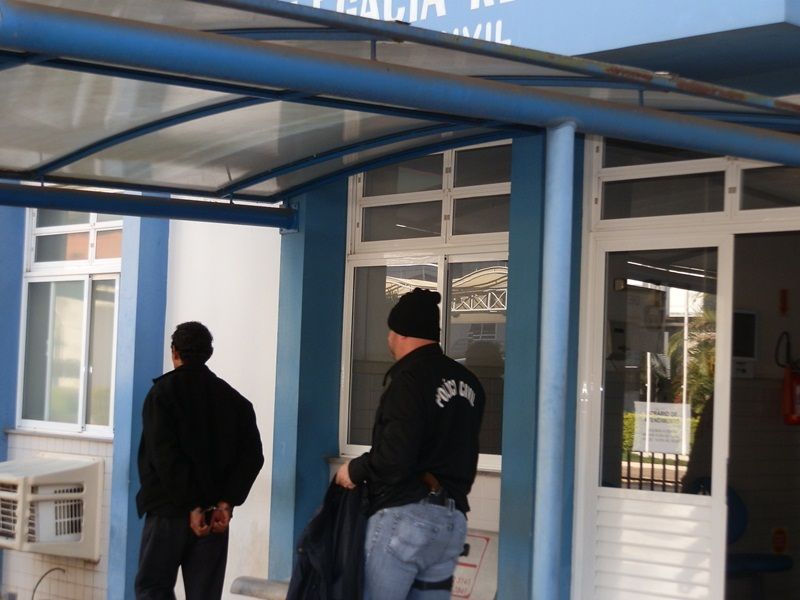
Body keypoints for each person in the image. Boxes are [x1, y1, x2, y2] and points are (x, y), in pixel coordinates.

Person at [335, 288, 485, 600]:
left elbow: (394, 457)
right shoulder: (470, 383)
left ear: (400, 332)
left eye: (390, 331)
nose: (388, 338)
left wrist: (354, 470)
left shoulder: (409, 380)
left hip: (406, 519)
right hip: (451, 522)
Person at [134, 321, 264, 600]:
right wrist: (226, 503)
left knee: (153, 589)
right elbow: (252, 456)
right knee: (205, 594)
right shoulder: (235, 401)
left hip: (168, 513)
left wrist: (190, 504)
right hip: (213, 517)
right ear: (209, 353)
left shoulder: (161, 395)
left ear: (174, 352)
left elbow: (165, 457)